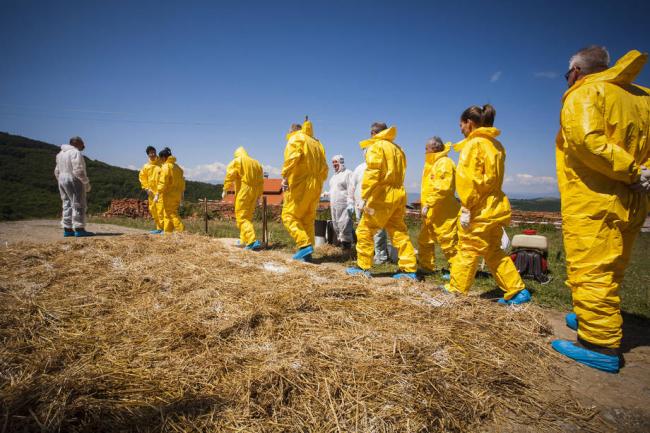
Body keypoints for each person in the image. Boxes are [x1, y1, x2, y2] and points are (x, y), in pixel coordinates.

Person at [552, 46, 650, 373]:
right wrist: (644, 172)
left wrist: (631, 170)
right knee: (613, 266)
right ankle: (590, 316)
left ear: (577, 71)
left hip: (595, 197)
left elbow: (587, 142)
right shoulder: (643, 98)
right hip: (635, 197)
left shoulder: (584, 94)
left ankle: (598, 344)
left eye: (567, 74)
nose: (568, 79)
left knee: (591, 269)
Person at [445, 105, 530, 304]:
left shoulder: (472, 145)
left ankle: (456, 291)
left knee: (468, 248)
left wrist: (467, 206)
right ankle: (517, 290)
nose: (461, 129)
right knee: (493, 250)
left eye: (461, 125)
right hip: (495, 206)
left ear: (469, 123)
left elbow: (469, 181)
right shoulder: (496, 145)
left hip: (478, 208)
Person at [346, 122, 417, 279]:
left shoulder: (376, 146)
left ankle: (363, 266)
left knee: (365, 229)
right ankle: (409, 269)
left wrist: (364, 195)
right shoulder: (398, 149)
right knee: (398, 231)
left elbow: (373, 173)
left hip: (382, 196)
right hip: (398, 194)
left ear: (373, 133)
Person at [281, 118, 328, 261]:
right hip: (316, 185)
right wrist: (318, 181)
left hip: (300, 183)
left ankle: (304, 245)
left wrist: (285, 177)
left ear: (292, 131)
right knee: (307, 218)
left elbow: (291, 159)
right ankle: (307, 254)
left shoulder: (296, 138)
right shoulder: (317, 143)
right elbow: (325, 168)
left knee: (289, 216)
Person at [417, 136, 460, 276]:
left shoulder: (444, 163)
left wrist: (429, 203)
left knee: (449, 242)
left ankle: (457, 273)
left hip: (443, 211)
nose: (425, 151)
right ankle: (426, 267)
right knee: (425, 240)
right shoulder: (433, 164)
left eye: (426, 148)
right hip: (431, 211)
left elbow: (443, 188)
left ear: (434, 148)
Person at [352, 158, 394, 264]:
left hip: (374, 204)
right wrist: (353, 201)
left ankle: (381, 256)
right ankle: (366, 256)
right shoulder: (359, 168)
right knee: (363, 231)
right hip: (360, 204)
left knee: (378, 230)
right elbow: (353, 185)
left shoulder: (380, 166)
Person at [223, 146, 264, 250]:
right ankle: (244, 239)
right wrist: (259, 195)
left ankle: (252, 241)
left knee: (241, 217)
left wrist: (225, 188)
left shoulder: (238, 161)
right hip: (254, 192)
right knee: (248, 216)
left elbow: (230, 175)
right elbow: (261, 181)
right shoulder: (256, 163)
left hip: (244, 190)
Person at [54, 136, 94, 237]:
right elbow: (78, 170)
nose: (84, 146)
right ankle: (79, 229)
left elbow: (56, 171)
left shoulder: (60, 154)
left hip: (62, 178)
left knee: (66, 203)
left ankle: (67, 229)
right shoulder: (75, 152)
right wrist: (85, 182)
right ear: (77, 143)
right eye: (82, 143)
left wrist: (60, 180)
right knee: (78, 203)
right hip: (73, 179)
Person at [324, 154, 355, 249]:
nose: (334, 164)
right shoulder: (334, 177)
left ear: (341, 162)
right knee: (336, 224)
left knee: (344, 224)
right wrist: (326, 194)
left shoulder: (348, 173)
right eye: (333, 162)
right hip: (334, 204)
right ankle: (342, 243)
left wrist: (351, 202)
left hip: (344, 204)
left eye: (336, 162)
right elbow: (334, 190)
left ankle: (347, 246)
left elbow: (351, 188)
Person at [155, 147, 185, 234]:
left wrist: (157, 193)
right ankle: (168, 233)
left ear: (164, 157)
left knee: (171, 213)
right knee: (167, 214)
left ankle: (182, 232)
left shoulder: (166, 167)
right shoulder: (178, 168)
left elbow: (162, 182)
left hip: (169, 195)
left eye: (161, 159)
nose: (161, 161)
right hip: (177, 195)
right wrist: (182, 194)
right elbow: (182, 182)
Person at [139, 146, 164, 234]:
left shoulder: (162, 163)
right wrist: (146, 188)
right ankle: (159, 228)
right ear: (148, 155)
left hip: (161, 191)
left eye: (154, 152)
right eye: (151, 153)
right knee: (153, 209)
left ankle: (165, 228)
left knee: (161, 210)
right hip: (151, 192)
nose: (153, 154)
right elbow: (142, 178)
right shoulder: (146, 166)